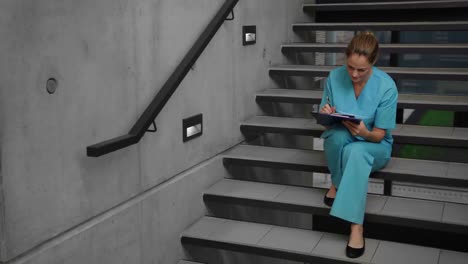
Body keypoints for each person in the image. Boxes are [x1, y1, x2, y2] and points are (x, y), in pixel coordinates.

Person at [319, 31, 398, 258]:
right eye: (350, 67)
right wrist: (327, 115)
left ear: (373, 62)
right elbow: (326, 126)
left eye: (361, 70)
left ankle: (356, 226)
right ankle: (337, 182)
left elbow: (379, 136)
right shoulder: (334, 78)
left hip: (375, 144)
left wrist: (365, 132)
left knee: (355, 150)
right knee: (335, 136)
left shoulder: (386, 87)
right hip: (343, 136)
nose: (354, 74)